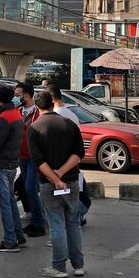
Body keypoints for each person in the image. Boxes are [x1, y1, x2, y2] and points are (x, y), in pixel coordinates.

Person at [28, 92, 86, 278]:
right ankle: (78, 265)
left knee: (57, 225)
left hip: (49, 183)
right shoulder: (69, 124)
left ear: (37, 107)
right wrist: (61, 173)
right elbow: (79, 153)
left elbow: (38, 160)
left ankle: (59, 267)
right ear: (53, 104)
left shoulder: (34, 127)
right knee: (73, 223)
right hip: (71, 180)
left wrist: (55, 177)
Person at [0, 85, 26, 252]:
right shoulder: (16, 113)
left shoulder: (4, 118)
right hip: (12, 162)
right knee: (10, 201)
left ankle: (10, 240)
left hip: (2, 163)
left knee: (4, 204)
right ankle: (18, 235)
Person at [47, 84, 86, 225]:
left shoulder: (54, 116)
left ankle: (61, 233)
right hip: (73, 164)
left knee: (59, 203)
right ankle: (78, 217)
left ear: (51, 98)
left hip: (58, 166)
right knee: (72, 199)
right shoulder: (72, 114)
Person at [15, 82, 45, 237]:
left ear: (26, 95)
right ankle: (35, 218)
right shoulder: (17, 110)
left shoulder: (38, 112)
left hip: (34, 156)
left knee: (30, 188)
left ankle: (39, 222)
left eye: (18, 94)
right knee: (26, 188)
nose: (16, 97)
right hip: (22, 155)